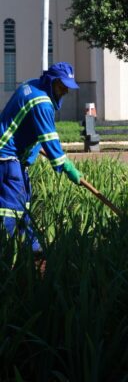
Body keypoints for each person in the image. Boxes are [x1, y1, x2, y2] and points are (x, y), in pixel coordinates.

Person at [0, 62, 83, 253]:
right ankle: (9, 251)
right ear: (51, 82)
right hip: (6, 156)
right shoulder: (42, 103)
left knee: (23, 202)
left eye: (68, 88)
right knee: (12, 208)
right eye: (62, 86)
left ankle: (34, 249)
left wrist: (32, 151)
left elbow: (31, 127)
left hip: (12, 155)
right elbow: (49, 138)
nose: (65, 91)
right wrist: (67, 167)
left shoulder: (31, 85)